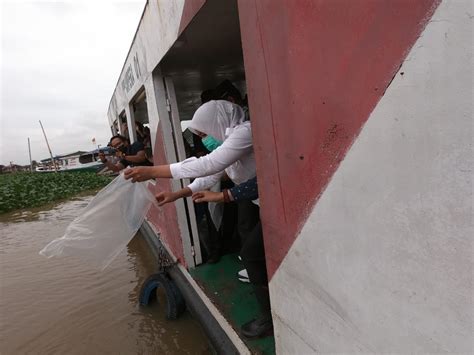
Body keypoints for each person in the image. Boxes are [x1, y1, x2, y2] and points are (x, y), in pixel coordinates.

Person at [192, 177, 273, 338]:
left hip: (266, 194)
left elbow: (216, 162)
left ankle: (268, 319)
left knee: (250, 250)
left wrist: (221, 195)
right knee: (248, 240)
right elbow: (216, 165)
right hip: (258, 192)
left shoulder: (236, 153)